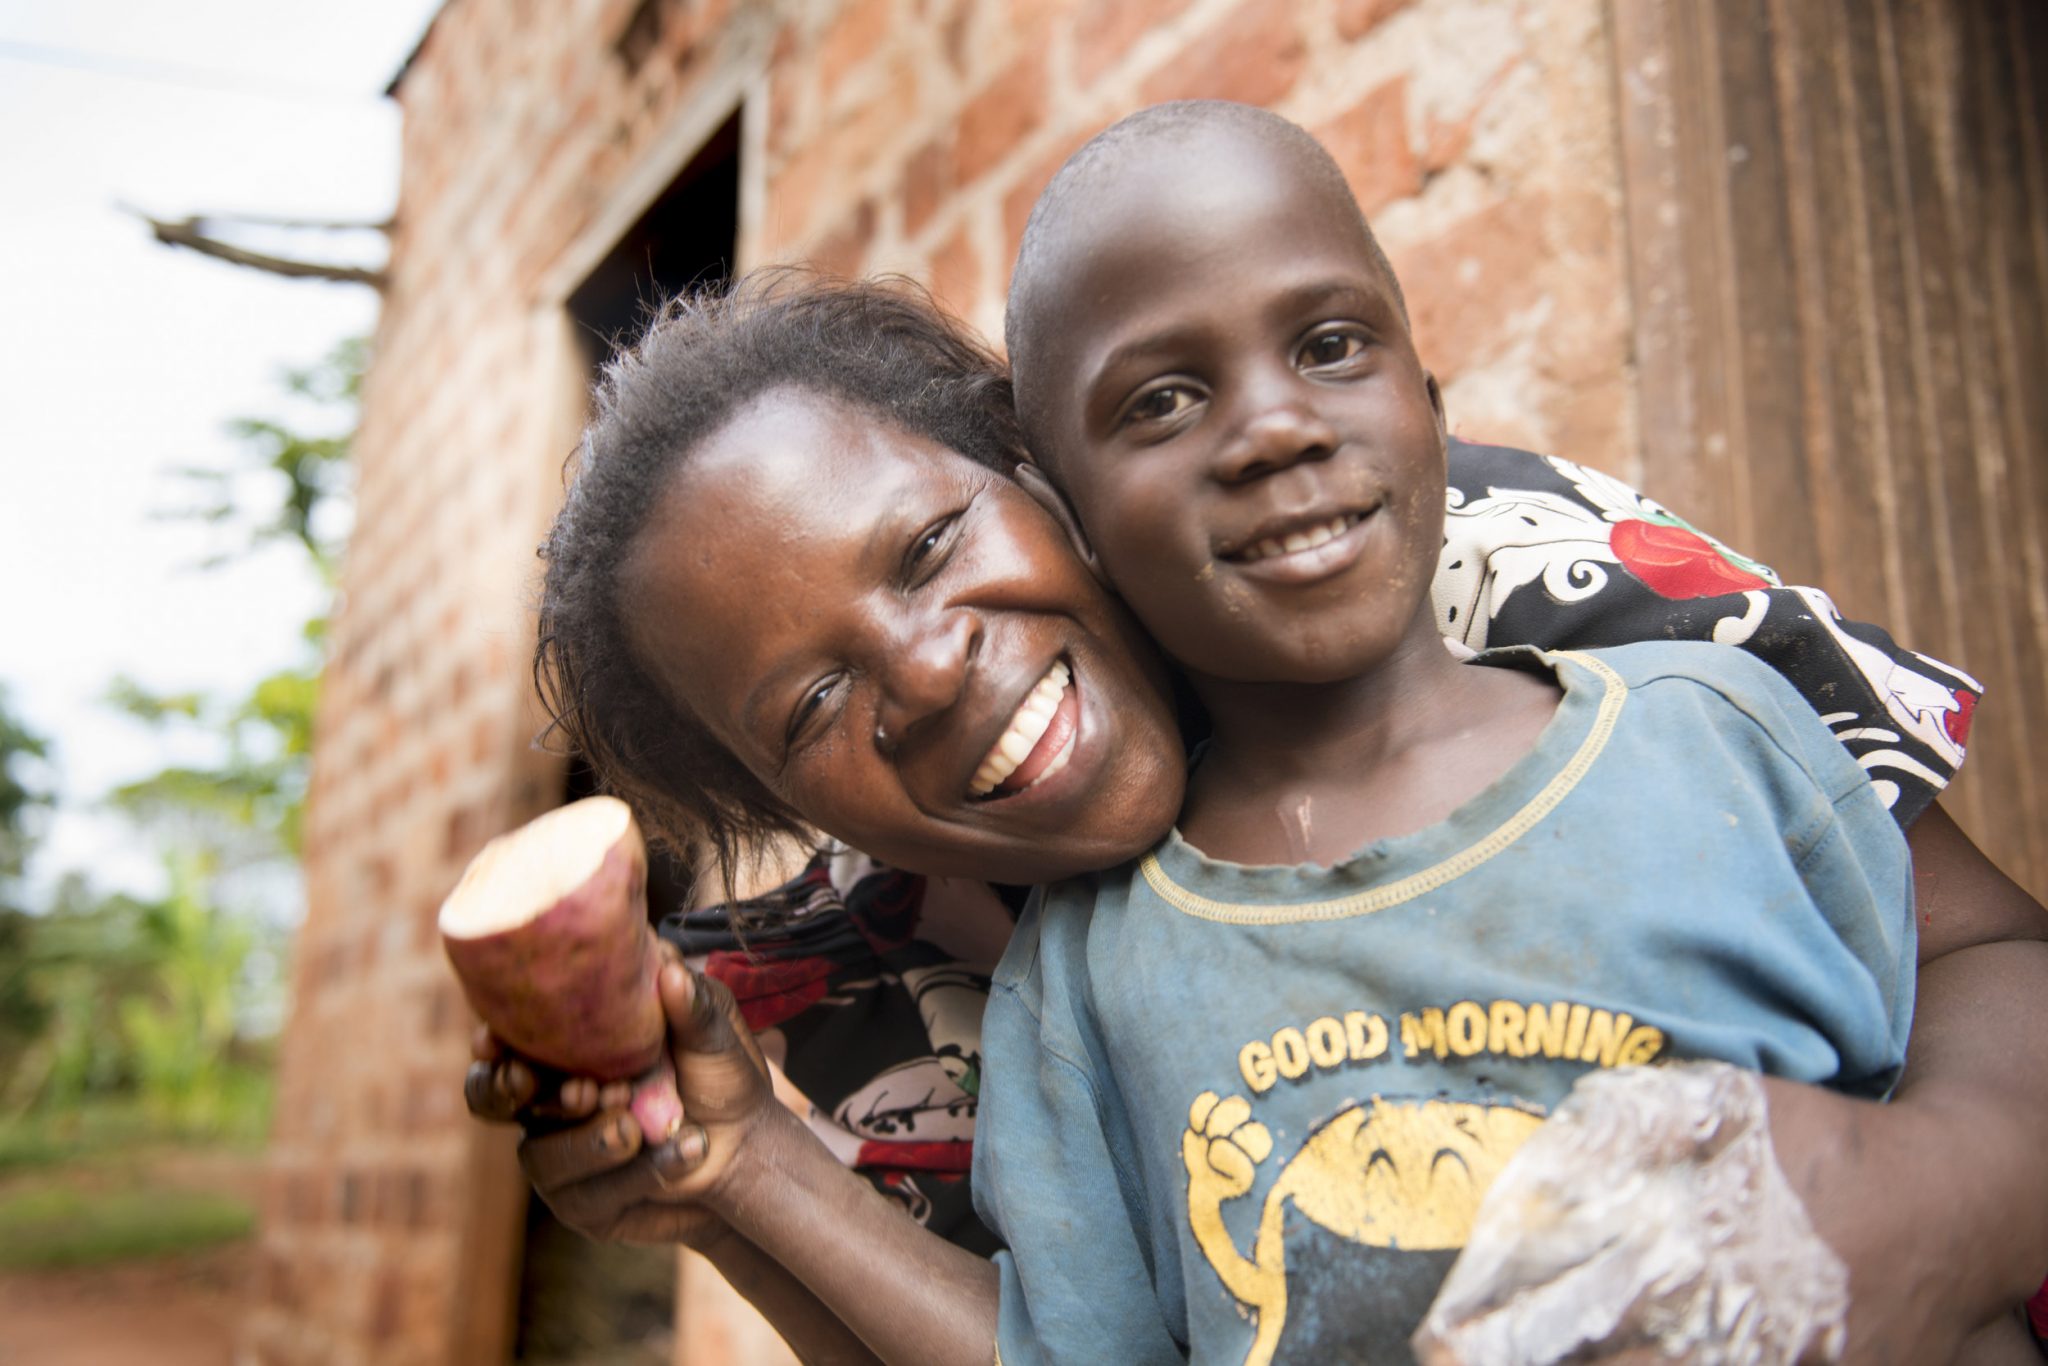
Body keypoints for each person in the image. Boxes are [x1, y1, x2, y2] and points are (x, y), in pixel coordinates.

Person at [468, 143, 2048, 1363]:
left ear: (1040, 472)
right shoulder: (905, 990)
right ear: (785, 811)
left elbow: (1981, 950)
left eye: (936, 542)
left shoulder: (1478, 570)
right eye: (809, 711)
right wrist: (744, 1185)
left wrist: (1916, 1210)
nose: (935, 669)